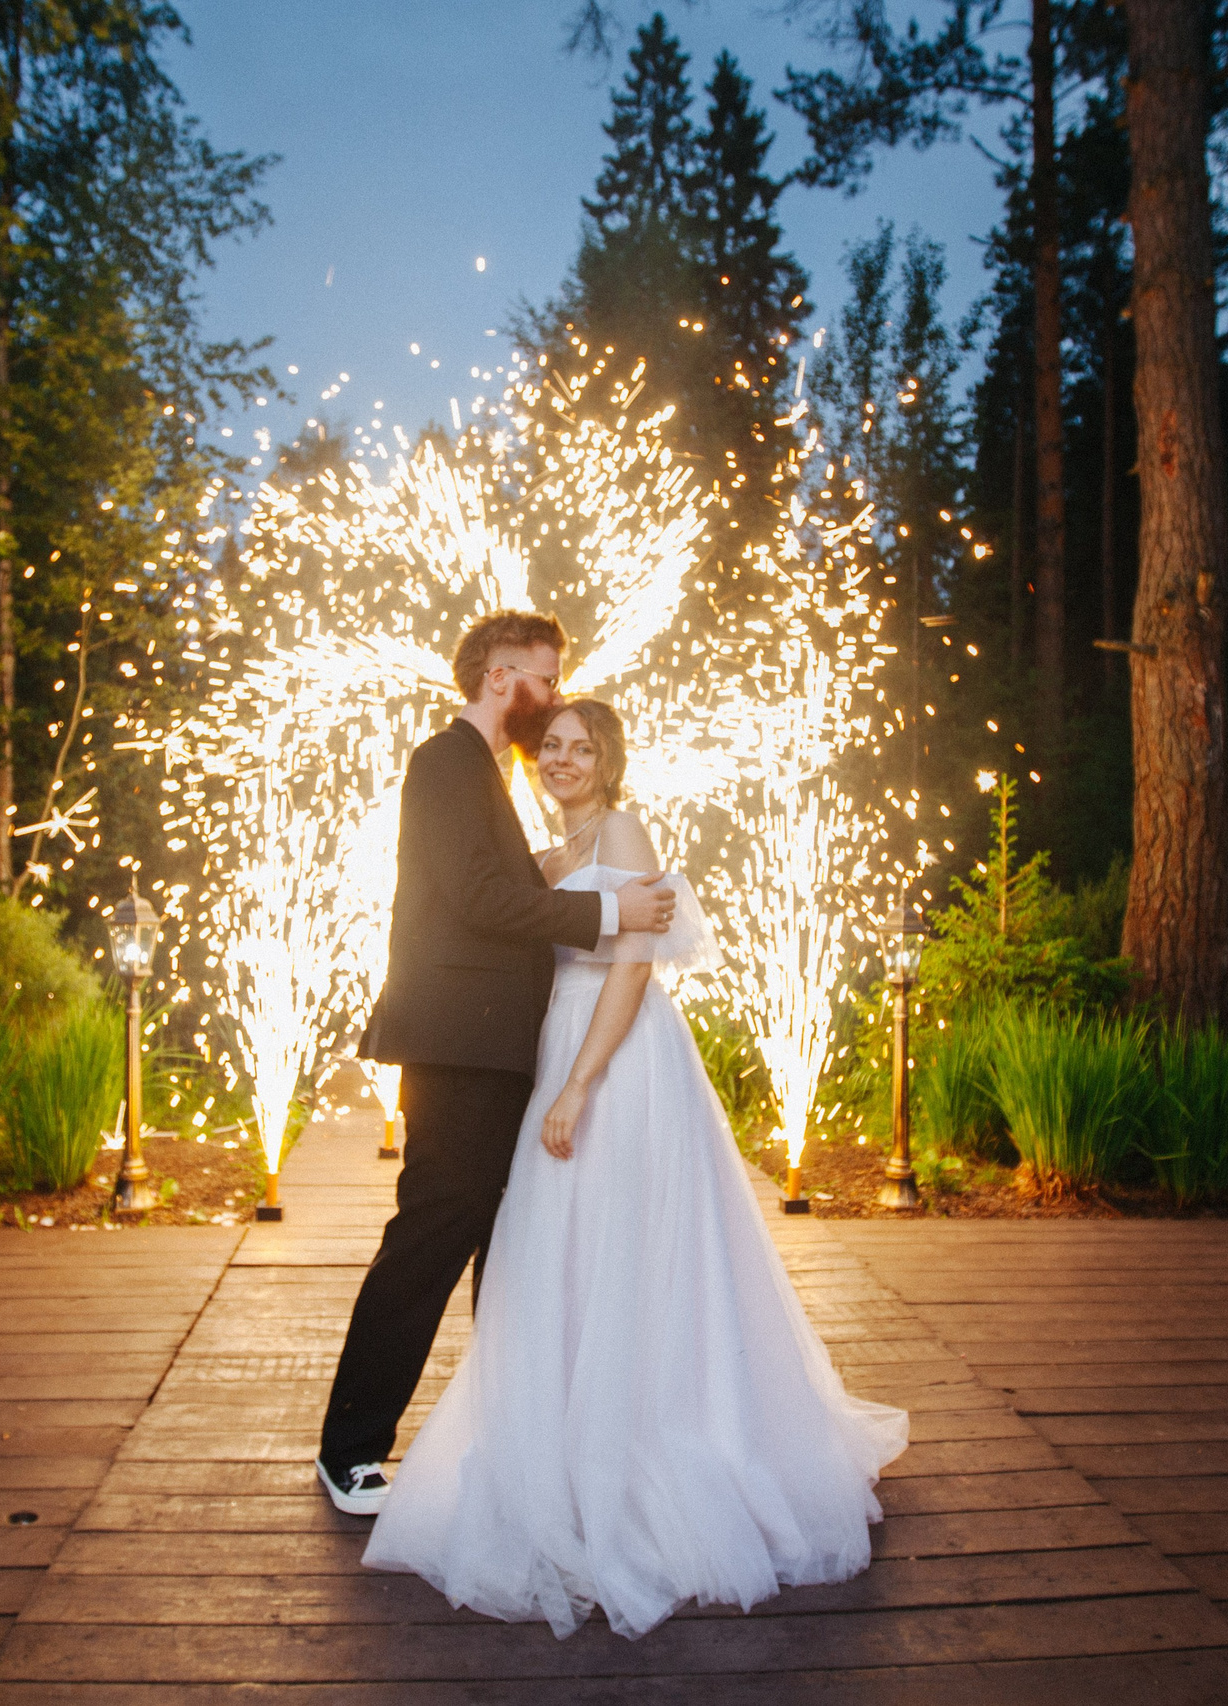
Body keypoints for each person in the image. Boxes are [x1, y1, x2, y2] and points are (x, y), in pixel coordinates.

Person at [360, 698, 908, 1639]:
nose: (565, 760)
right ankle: (570, 1442)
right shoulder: (551, 854)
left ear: (610, 761)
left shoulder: (621, 828)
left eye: (584, 748)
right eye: (555, 748)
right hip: (558, 1048)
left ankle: (653, 1440)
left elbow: (632, 965)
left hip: (615, 1060)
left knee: (625, 1241)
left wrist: (577, 1084)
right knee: (559, 1248)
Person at [316, 611, 678, 1517]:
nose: (553, 698)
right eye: (545, 680)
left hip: (500, 1046)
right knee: (434, 1233)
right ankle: (351, 1448)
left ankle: (509, 1437)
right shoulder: (444, 762)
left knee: (501, 1246)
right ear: (500, 674)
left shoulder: (487, 777)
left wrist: (566, 866)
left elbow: (502, 881)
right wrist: (608, 915)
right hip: (460, 1044)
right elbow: (478, 898)